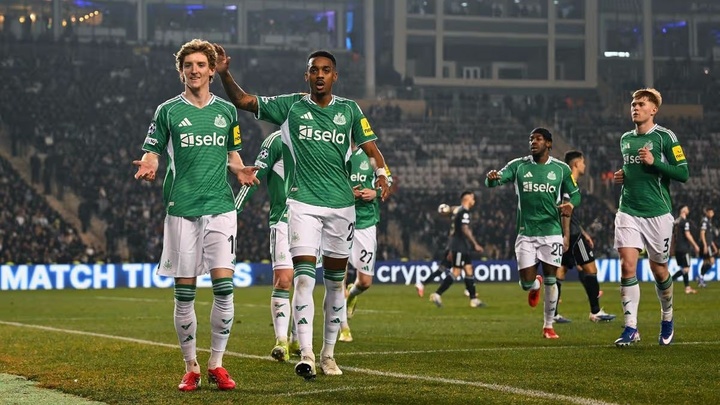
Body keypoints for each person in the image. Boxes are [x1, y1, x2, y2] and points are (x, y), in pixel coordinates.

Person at [214, 45, 391, 379]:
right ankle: (307, 353)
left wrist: (382, 174)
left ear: (335, 76)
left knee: (336, 284)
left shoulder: (350, 110)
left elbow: (371, 148)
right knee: (305, 279)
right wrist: (224, 73)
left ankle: (328, 355)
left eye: (325, 70)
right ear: (306, 75)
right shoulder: (291, 106)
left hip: (342, 207)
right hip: (303, 205)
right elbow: (244, 101)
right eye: (314, 70)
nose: (319, 75)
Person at [132, 38, 259, 391]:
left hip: (220, 207)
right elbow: (153, 151)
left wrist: (240, 170)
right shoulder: (167, 111)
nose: (195, 70)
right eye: (188, 65)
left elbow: (232, 155)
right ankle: (191, 366)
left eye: (201, 64)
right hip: (182, 208)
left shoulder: (227, 112)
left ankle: (217, 363)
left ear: (212, 70)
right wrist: (149, 164)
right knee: (184, 293)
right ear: (181, 71)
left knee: (224, 289)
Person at [485, 127, 580, 339]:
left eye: (538, 139)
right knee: (525, 283)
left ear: (549, 144)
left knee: (552, 278)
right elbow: (494, 180)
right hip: (526, 233)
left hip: (551, 232)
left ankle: (548, 326)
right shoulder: (518, 166)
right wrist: (491, 178)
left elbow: (575, 194)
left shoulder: (561, 169)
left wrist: (571, 205)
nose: (533, 142)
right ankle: (534, 284)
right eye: (531, 139)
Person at [612, 88, 689, 347]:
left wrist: (655, 162)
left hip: (658, 213)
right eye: (633, 104)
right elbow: (632, 169)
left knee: (659, 270)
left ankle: (667, 317)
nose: (635, 107)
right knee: (627, 265)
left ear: (653, 110)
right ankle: (630, 327)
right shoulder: (625, 139)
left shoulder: (665, 137)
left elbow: (683, 173)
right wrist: (623, 174)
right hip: (628, 210)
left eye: (641, 104)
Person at [234, 130, 298, 361]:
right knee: (284, 280)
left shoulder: (316, 135)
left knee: (304, 283)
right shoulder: (275, 141)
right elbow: (252, 177)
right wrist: (234, 209)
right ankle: (281, 341)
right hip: (284, 220)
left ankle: (298, 338)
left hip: (314, 219)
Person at [553, 150, 616, 324]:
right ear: (575, 164)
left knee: (561, 271)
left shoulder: (565, 182)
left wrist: (584, 232)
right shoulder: (568, 183)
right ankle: (595, 312)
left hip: (569, 232)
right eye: (582, 162)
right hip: (572, 235)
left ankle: (553, 314)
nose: (584, 166)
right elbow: (565, 212)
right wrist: (568, 236)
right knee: (591, 270)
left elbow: (570, 213)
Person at [338, 146, 392, 343]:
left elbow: (388, 182)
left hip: (366, 223)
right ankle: (343, 327)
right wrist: (346, 193)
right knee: (338, 277)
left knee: (365, 282)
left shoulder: (371, 155)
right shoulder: (337, 150)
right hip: (340, 220)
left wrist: (375, 193)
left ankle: (352, 294)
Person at [427, 191, 485, 308]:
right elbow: (465, 229)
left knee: (469, 270)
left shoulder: (458, 210)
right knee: (456, 272)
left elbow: (453, 210)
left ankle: (473, 299)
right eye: (472, 198)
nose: (474, 200)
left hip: (462, 245)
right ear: (467, 199)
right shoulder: (464, 212)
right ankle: (437, 294)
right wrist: (475, 244)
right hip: (459, 245)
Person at [671, 205, 699, 294]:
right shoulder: (685, 222)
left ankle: (687, 287)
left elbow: (673, 237)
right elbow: (687, 234)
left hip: (677, 249)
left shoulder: (675, 222)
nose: (688, 210)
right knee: (686, 269)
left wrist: (672, 248)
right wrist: (695, 245)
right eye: (687, 208)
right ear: (683, 210)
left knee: (684, 268)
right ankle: (670, 281)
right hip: (684, 248)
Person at [698, 206, 716, 288]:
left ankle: (701, 279)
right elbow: (702, 233)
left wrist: (714, 246)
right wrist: (705, 245)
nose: (712, 214)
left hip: (708, 244)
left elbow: (709, 236)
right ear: (707, 213)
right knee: (712, 261)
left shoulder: (709, 222)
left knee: (705, 262)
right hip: (706, 245)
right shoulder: (704, 221)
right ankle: (701, 277)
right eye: (711, 212)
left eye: (713, 212)